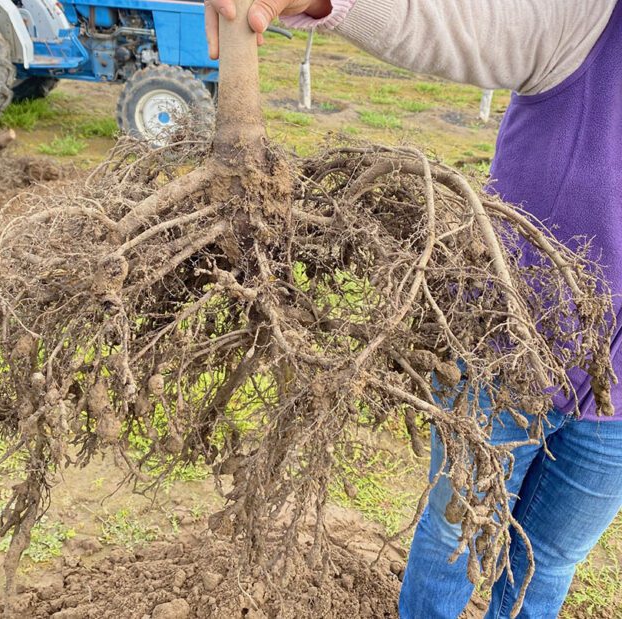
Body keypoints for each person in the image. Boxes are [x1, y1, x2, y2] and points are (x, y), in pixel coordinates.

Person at [205, 2, 622, 617]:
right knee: (453, 539)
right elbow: (455, 24)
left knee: (549, 561)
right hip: (500, 359)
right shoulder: (587, 21)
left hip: (619, 409)